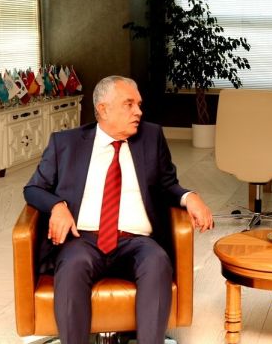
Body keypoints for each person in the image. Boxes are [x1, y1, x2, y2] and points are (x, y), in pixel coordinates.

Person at [24, 75, 213, 344]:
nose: (138, 112)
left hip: (137, 241)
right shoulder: (66, 143)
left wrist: (189, 197)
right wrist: (56, 206)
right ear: (103, 109)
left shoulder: (151, 137)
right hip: (83, 239)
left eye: (139, 105)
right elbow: (33, 188)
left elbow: (167, 185)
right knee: (72, 265)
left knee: (157, 261)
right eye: (129, 104)